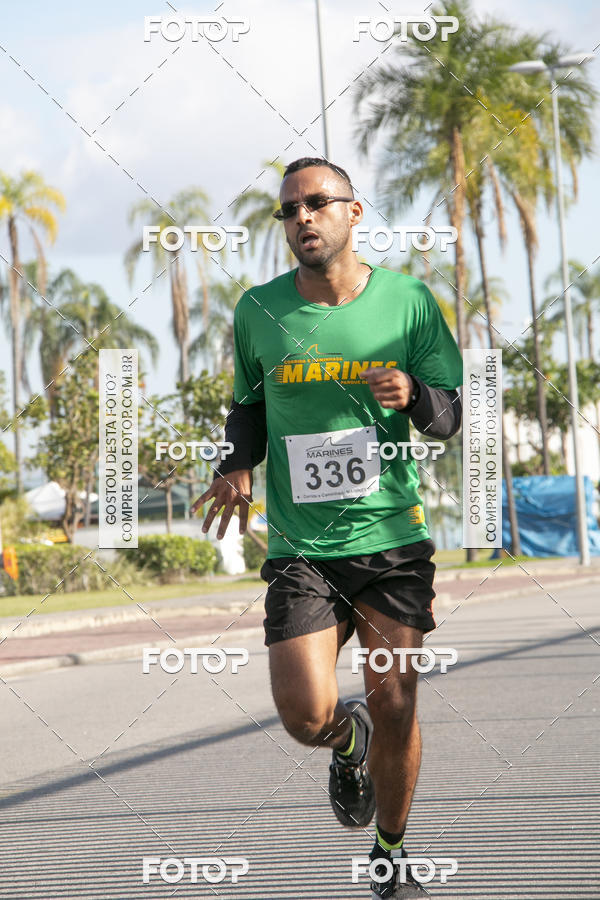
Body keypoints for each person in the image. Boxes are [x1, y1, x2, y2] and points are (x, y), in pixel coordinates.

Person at [192, 157, 463, 899]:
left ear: (353, 211)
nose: (301, 218)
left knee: (395, 700)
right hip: (301, 548)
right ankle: (348, 743)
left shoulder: (408, 302)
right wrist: (236, 465)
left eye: (316, 203)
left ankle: (390, 854)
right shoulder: (259, 310)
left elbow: (449, 416)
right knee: (305, 716)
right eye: (288, 209)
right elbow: (249, 406)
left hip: (389, 539)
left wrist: (413, 392)